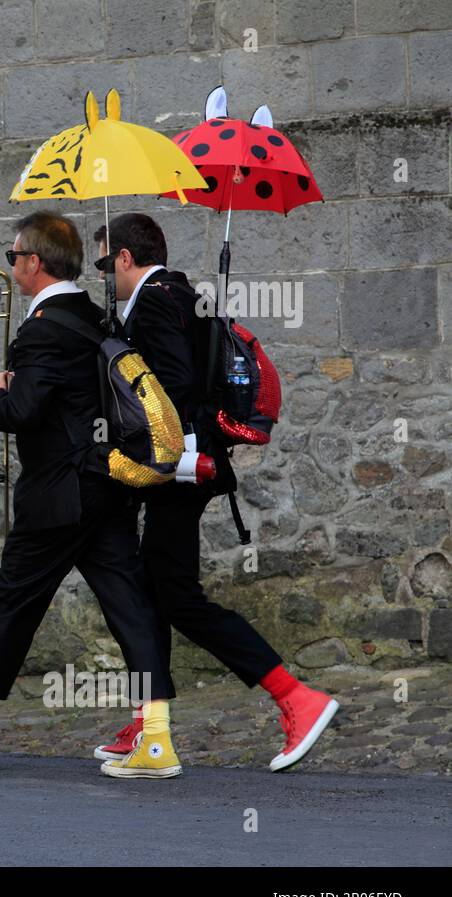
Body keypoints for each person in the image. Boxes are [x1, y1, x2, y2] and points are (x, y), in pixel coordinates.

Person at [0, 212, 181, 778]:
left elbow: (23, 414)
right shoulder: (95, 317)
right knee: (131, 607)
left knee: (11, 606)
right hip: (106, 485)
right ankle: (157, 739)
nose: (11, 264)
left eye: (14, 255)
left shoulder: (45, 327)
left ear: (34, 263)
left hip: (59, 494)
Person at [93, 213, 337, 771]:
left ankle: (295, 697)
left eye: (106, 264)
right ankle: (147, 723)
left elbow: (172, 387)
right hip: (183, 463)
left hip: (178, 466)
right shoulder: (181, 293)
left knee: (176, 596)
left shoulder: (155, 300)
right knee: (152, 590)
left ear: (125, 258)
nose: (106, 275)